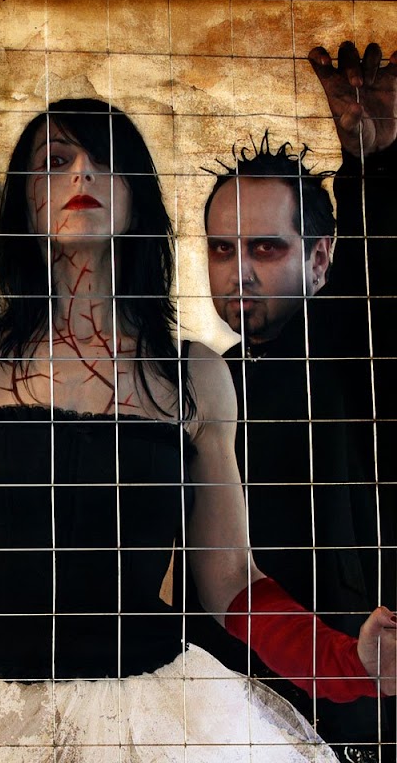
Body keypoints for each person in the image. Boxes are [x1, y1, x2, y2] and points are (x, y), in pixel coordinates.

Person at [0, 35, 395, 761]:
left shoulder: (193, 374)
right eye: (54, 162)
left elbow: (231, 583)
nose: (80, 174)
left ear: (137, 196)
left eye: (103, 160)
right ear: (24, 205)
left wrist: (346, 662)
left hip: (150, 712)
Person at [200, 42, 397, 760]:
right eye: (222, 249)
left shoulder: (356, 345)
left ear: (319, 258)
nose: (239, 272)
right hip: (229, 695)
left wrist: (375, 166)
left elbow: (376, 277)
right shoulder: (205, 377)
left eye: (266, 249)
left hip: (355, 690)